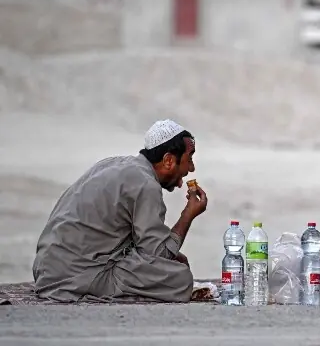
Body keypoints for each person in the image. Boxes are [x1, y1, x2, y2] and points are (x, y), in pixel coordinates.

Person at [32, 119, 208, 303]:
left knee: (175, 262)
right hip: (73, 277)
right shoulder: (146, 184)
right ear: (168, 160)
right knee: (180, 279)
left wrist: (173, 254)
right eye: (189, 159)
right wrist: (188, 214)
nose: (191, 168)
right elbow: (157, 255)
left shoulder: (112, 164)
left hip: (46, 268)